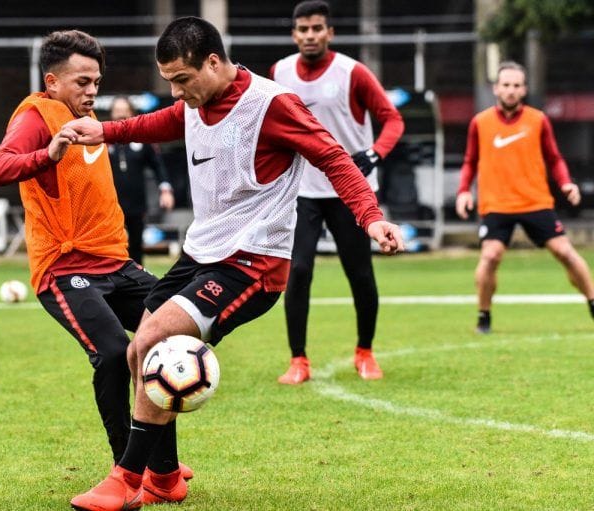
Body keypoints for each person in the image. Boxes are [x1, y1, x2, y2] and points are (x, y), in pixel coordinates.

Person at [63, 17, 404, 511]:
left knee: (158, 340)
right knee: (140, 351)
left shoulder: (271, 105)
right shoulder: (193, 102)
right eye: (170, 83)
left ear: (215, 62)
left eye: (183, 79)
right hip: (201, 253)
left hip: (253, 263)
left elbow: (333, 157)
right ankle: (163, 477)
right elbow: (163, 121)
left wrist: (370, 218)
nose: (178, 92)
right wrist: (105, 132)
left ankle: (126, 478)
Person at [0, 30, 191, 491]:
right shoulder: (36, 115)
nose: (92, 91)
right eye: (82, 82)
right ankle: (128, 469)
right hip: (65, 270)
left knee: (164, 338)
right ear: (52, 80)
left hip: (115, 263)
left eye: (96, 81)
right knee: (116, 354)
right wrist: (47, 152)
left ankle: (163, 468)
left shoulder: (89, 116)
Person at [271, 0, 404, 383]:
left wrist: (375, 153)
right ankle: (298, 360)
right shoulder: (279, 72)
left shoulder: (353, 73)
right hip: (302, 191)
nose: (310, 35)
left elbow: (393, 120)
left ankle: (365, 351)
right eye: (303, 29)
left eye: (317, 28)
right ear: (294, 33)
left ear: (330, 32)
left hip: (351, 192)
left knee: (359, 274)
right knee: (297, 271)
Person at [456, 60, 594, 334]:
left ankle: (592, 300)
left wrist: (566, 183)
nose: (511, 90)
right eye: (506, 85)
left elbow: (554, 158)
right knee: (491, 255)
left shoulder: (538, 120)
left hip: (535, 201)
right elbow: (470, 161)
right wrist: (463, 191)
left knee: (564, 251)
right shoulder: (480, 123)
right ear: (496, 88)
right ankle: (484, 317)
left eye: (516, 85)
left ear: (524, 89)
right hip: (496, 203)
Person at [108, 96, 175, 264]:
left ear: (131, 113)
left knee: (136, 247)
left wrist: (165, 190)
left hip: (137, 206)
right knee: (113, 249)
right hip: (110, 206)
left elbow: (158, 166)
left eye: (124, 112)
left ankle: (138, 285)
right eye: (117, 112)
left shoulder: (141, 139)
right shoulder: (103, 141)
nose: (120, 116)